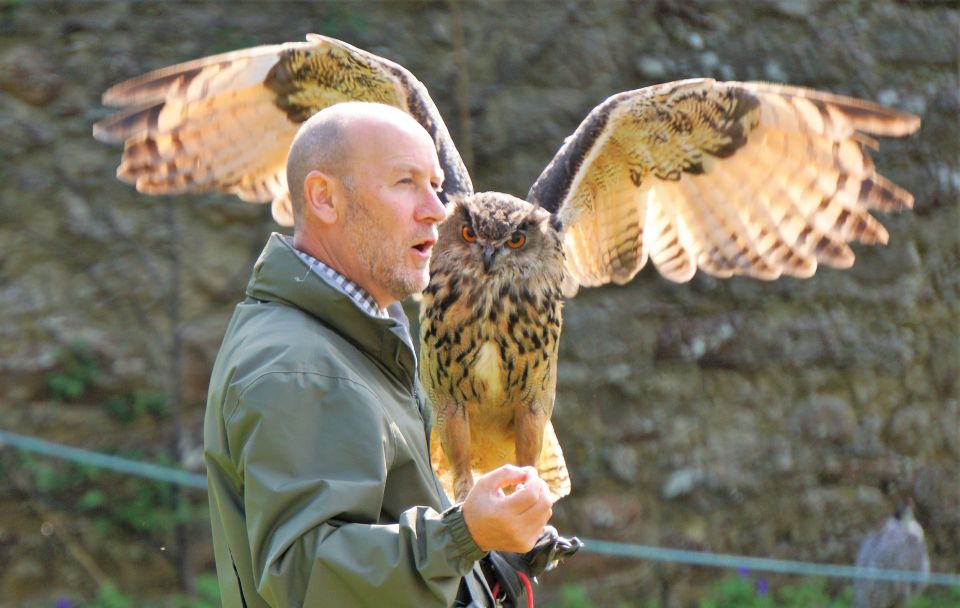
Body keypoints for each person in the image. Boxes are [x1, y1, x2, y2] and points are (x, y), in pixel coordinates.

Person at [203, 101, 562, 607]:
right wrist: (464, 534)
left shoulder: (363, 342)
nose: (437, 209)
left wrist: (486, 564)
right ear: (324, 198)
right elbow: (302, 580)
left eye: (435, 186)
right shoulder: (297, 365)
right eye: (405, 183)